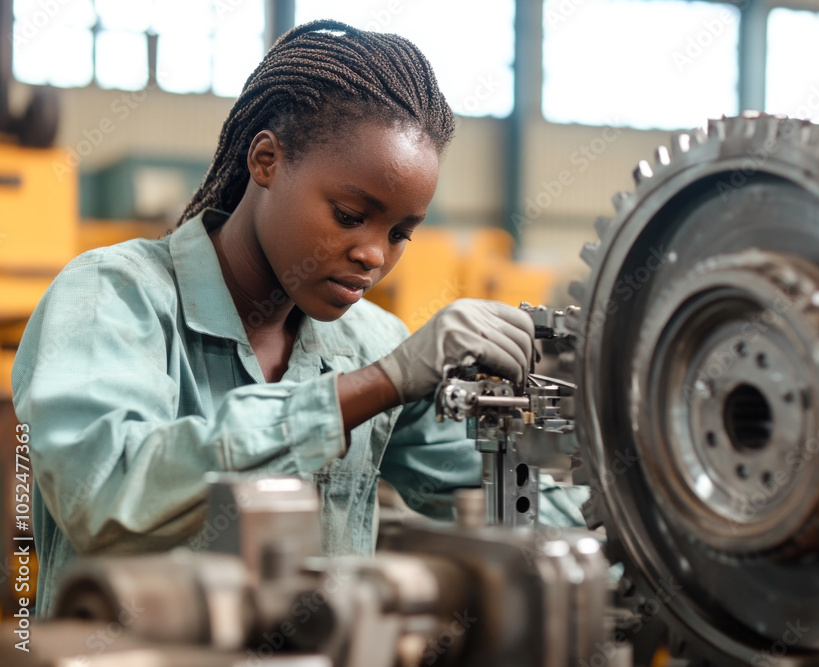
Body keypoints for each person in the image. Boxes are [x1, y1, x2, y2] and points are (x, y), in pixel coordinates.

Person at [12, 20, 582, 617]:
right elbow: (104, 497)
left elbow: (507, 503)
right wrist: (378, 385)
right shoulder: (114, 297)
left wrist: (647, 522)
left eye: (399, 233)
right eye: (349, 213)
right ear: (266, 160)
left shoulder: (370, 343)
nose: (374, 255)